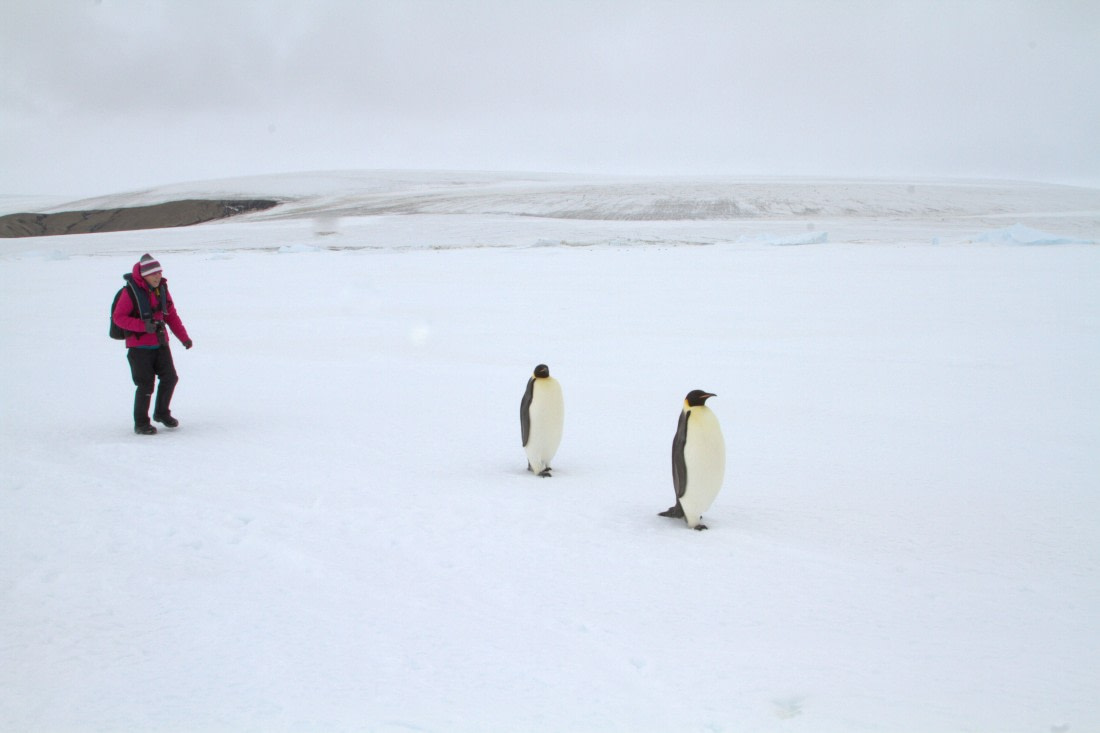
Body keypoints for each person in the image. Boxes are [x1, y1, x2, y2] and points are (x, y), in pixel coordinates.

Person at [112, 253, 193, 434]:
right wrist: (143, 326)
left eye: (159, 272)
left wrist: (184, 338)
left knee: (170, 378)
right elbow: (119, 318)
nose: (157, 276)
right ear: (144, 276)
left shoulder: (162, 289)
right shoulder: (130, 292)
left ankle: (161, 413)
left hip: (160, 344)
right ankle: (141, 423)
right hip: (139, 348)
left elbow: (171, 315)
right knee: (145, 385)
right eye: (153, 274)